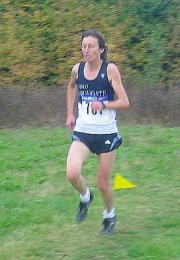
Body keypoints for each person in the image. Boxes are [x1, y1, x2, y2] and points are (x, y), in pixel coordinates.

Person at [66, 29, 129, 234]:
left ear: (101, 49)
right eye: (84, 46)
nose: (86, 50)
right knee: (72, 173)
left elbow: (124, 102)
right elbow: (71, 87)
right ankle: (85, 197)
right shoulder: (77, 69)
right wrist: (70, 113)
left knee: (103, 184)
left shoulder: (110, 70)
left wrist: (104, 104)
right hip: (83, 130)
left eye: (91, 46)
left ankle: (109, 215)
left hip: (106, 133)